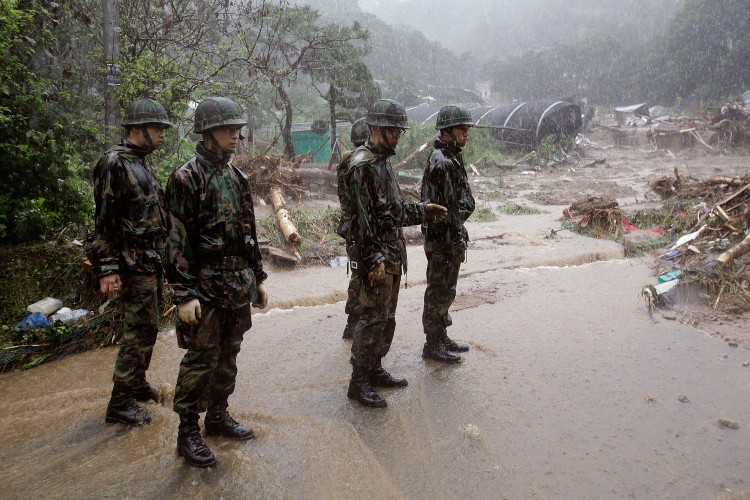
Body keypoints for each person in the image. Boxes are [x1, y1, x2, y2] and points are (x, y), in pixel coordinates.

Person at [166, 97, 268, 468]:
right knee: (200, 360)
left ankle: (218, 416)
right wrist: (184, 294)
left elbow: (249, 233)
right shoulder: (186, 178)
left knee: (229, 355)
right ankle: (187, 432)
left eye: (238, 129)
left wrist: (257, 277)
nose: (236, 136)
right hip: (205, 287)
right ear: (208, 133)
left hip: (237, 284)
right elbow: (177, 240)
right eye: (228, 129)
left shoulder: (236, 178)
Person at [344, 99, 448, 408]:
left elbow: (392, 209)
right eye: (392, 131)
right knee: (370, 318)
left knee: (386, 317)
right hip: (375, 256)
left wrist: (421, 210)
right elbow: (362, 221)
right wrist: (373, 259)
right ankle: (358, 381)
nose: (397, 137)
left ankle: (375, 369)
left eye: (399, 131)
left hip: (391, 252)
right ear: (375, 129)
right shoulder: (362, 165)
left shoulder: (383, 161)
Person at [92, 98, 172, 426]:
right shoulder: (114, 163)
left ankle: (136, 383)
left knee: (150, 327)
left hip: (150, 260)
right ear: (139, 129)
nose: (163, 135)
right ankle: (119, 402)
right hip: (129, 261)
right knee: (136, 331)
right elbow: (104, 220)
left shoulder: (141, 161)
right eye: (157, 128)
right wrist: (108, 268)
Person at [420, 105, 476, 364]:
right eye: (462, 129)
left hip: (448, 234)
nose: (466, 133)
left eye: (466, 128)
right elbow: (448, 209)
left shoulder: (451, 156)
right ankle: (432, 343)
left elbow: (458, 204)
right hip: (442, 237)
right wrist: (456, 237)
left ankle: (441, 336)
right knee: (438, 290)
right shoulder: (441, 161)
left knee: (446, 289)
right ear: (448, 131)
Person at [336, 117, 369, 340]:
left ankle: (354, 321)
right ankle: (354, 322)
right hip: (359, 229)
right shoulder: (360, 162)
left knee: (358, 274)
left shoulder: (346, 160)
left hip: (352, 228)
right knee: (361, 276)